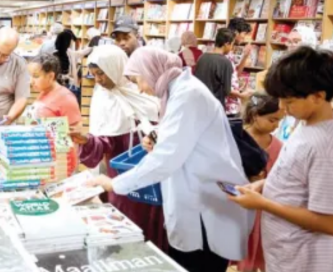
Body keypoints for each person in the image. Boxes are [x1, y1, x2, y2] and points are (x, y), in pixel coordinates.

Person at [87, 46, 253, 272]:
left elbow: (166, 159)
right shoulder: (178, 91)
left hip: (204, 201)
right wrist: (157, 138)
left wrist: (115, 184)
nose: (141, 89)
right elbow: (181, 138)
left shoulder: (188, 95)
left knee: (198, 262)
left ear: (151, 71)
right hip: (195, 195)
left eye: (139, 80)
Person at [229, 47, 333, 272]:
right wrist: (263, 185)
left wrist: (262, 203)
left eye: (289, 101)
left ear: (318, 96)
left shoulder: (325, 145)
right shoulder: (306, 124)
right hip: (288, 254)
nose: (282, 108)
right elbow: (297, 177)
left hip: (307, 261)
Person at [69, 45, 167, 250]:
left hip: (152, 169)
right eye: (94, 74)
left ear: (116, 68)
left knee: (151, 217)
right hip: (118, 174)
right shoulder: (102, 98)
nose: (98, 80)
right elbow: (105, 142)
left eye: (101, 74)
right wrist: (86, 141)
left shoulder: (143, 92)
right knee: (125, 222)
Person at [235, 93, 283, 272]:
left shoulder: (278, 147)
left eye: (279, 120)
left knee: (260, 245)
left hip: (264, 209)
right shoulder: (238, 139)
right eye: (272, 120)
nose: (276, 125)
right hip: (238, 205)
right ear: (256, 115)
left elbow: (281, 176)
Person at [27, 53, 82, 126]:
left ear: (50, 76)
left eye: (36, 76)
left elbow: (76, 131)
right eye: (30, 76)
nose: (31, 81)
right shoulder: (44, 92)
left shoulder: (66, 98)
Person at [194, 28, 235, 108]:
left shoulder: (202, 57)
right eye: (232, 44)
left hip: (199, 103)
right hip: (215, 107)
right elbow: (227, 91)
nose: (232, 48)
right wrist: (242, 95)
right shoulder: (225, 62)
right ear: (226, 44)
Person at [226, 18, 254, 116]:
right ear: (236, 32)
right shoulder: (224, 53)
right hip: (226, 107)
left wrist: (245, 56)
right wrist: (241, 95)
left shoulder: (231, 51)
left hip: (233, 106)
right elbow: (222, 85)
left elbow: (235, 75)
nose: (244, 37)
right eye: (244, 33)